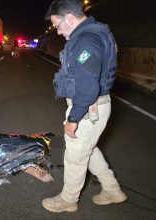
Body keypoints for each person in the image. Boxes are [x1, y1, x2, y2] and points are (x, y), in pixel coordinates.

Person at [42, 0, 127, 213]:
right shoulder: (91, 34)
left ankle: (68, 200)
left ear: (70, 18)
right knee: (87, 149)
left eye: (58, 26)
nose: (58, 32)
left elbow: (88, 88)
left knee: (74, 156)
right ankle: (112, 189)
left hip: (88, 107)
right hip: (93, 106)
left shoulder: (86, 41)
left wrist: (74, 119)